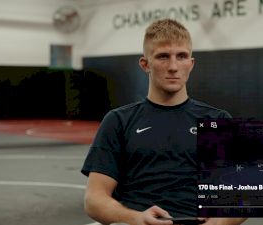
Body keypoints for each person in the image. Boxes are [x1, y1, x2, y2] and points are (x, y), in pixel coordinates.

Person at [81, 18, 246, 225]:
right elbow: (94, 199)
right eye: (163, 57)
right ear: (145, 64)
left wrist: (216, 224)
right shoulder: (118, 121)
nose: (173, 66)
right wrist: (137, 218)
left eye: (182, 56)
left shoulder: (217, 120)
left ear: (191, 63)